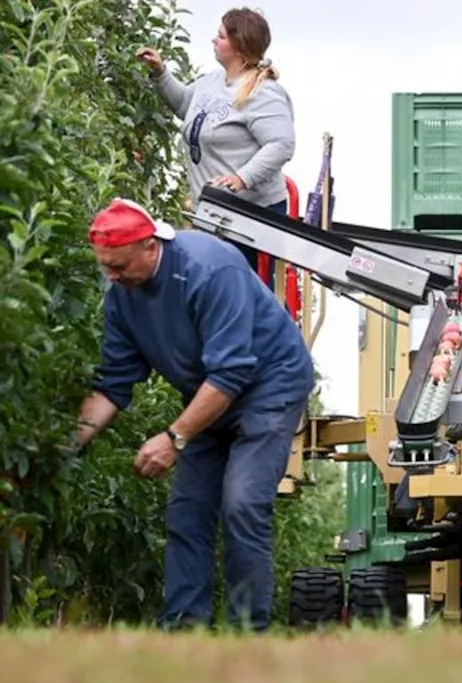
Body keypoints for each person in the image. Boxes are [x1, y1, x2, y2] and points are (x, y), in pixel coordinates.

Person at [71, 198, 315, 632]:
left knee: (242, 503)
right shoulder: (123, 297)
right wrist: (66, 446)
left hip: (268, 385)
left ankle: (245, 635)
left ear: (150, 247)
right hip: (210, 394)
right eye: (106, 266)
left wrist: (173, 437)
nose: (112, 276)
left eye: (119, 266)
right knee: (187, 511)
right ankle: (183, 632)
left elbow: (232, 372)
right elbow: (113, 385)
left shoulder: (210, 269)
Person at [136, 7, 295, 280]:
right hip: (214, 211)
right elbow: (185, 105)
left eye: (220, 37)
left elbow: (281, 143)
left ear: (239, 47)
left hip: (250, 216)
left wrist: (242, 178)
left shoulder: (263, 92)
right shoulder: (212, 81)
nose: (213, 40)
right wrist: (161, 73)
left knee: (240, 291)